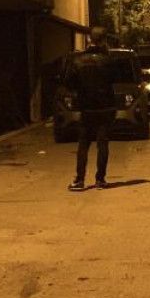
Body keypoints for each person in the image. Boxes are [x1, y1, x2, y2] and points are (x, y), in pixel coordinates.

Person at [63, 27, 116, 191]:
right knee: (103, 143)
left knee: (83, 144)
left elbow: (68, 82)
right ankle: (100, 179)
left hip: (86, 107)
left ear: (89, 40)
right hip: (105, 107)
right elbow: (115, 79)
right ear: (104, 40)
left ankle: (79, 180)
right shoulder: (108, 60)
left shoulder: (78, 60)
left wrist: (81, 92)